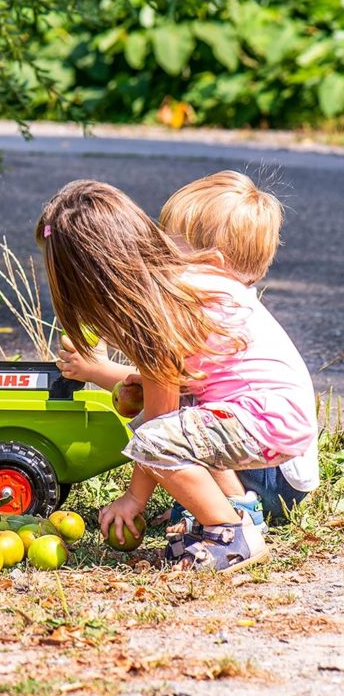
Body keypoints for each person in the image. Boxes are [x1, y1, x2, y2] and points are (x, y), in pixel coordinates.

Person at [37, 179, 317, 572]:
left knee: (153, 435)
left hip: (270, 434)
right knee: (170, 423)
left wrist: (134, 499)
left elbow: (158, 426)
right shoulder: (177, 294)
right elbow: (173, 401)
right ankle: (237, 511)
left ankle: (228, 533)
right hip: (273, 423)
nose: (162, 249)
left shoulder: (166, 307)